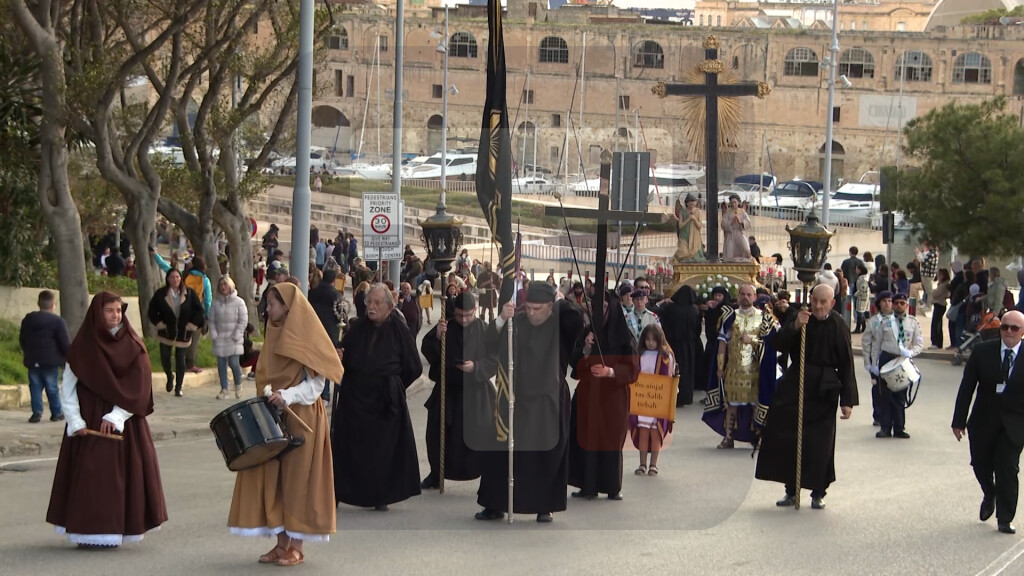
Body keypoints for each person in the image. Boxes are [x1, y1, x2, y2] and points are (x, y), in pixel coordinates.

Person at [228, 283, 343, 566]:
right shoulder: (273, 332)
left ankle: (297, 547)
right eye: (267, 303)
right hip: (272, 416)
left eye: (273, 304)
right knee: (275, 480)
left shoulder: (306, 334)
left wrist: (288, 396)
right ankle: (280, 545)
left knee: (299, 482)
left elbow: (317, 383)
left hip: (302, 417)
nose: (268, 309)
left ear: (288, 306)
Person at [46, 292, 167, 547]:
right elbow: (67, 387)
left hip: (123, 421)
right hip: (88, 421)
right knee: (90, 478)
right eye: (110, 310)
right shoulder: (83, 346)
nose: (116, 315)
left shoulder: (133, 345)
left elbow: (140, 387)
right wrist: (75, 420)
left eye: (119, 310)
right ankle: (87, 531)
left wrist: (117, 414)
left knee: (120, 479)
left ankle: (118, 529)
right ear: (97, 313)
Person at [475, 283, 585, 523]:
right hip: (514, 398)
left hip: (548, 400)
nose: (532, 313)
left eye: (538, 308)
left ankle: (544, 505)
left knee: (545, 455)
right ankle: (495, 503)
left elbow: (576, 317)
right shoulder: (518, 322)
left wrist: (558, 299)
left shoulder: (560, 324)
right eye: (530, 308)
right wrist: (502, 318)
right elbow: (489, 341)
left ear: (550, 307)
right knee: (502, 452)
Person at [755, 284, 858, 510]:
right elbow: (779, 344)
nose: (819, 306)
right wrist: (795, 325)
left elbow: (846, 363)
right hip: (797, 382)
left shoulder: (838, 324)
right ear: (810, 300)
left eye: (824, 302)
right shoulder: (800, 317)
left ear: (832, 303)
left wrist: (847, 401)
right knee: (789, 436)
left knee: (820, 444)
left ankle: (818, 492)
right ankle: (791, 489)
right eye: (816, 301)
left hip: (824, 389)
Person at [334, 286, 423, 511]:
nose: (371, 307)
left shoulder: (399, 330)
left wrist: (395, 386)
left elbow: (414, 366)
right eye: (369, 302)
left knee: (382, 451)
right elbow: (343, 360)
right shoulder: (357, 328)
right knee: (351, 446)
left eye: (377, 303)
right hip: (355, 396)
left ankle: (380, 495)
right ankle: (344, 490)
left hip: (385, 400)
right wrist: (339, 357)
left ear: (389, 307)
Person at [953, 310, 1024, 535]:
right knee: (980, 463)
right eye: (1005, 327)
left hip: (1015, 423)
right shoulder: (983, 351)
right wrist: (958, 420)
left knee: (1007, 469)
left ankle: (1005, 518)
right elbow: (967, 387)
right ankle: (989, 492)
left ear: (1022, 331)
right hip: (984, 419)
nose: (1009, 332)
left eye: (1015, 328)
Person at [419, 292, 497, 489]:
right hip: (448, 390)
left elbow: (495, 359)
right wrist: (437, 336)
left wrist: (476, 367)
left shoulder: (484, 329)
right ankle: (437, 473)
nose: (464, 319)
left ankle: (485, 475)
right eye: (460, 315)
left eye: (468, 315)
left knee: (481, 435)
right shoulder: (447, 327)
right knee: (438, 433)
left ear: (475, 311)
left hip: (476, 392)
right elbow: (428, 351)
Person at [568, 290, 639, 501]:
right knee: (586, 438)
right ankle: (586, 485)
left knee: (609, 440)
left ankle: (611, 487)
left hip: (612, 398)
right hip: (588, 396)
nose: (600, 314)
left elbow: (633, 369)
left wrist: (610, 372)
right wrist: (586, 351)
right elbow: (574, 364)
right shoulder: (588, 332)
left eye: (605, 308)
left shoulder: (624, 335)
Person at [703, 284, 780, 449]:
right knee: (731, 405)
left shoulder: (765, 318)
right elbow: (722, 343)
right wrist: (720, 367)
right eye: (743, 294)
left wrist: (752, 340)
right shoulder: (729, 316)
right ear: (738, 296)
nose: (746, 297)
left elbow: (771, 345)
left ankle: (758, 437)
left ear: (754, 297)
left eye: (749, 294)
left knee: (755, 404)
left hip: (755, 370)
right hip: (734, 368)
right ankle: (728, 437)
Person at [862, 292, 923, 438]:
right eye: (896, 303)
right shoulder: (885, 322)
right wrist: (873, 364)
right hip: (887, 359)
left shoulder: (913, 322)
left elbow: (919, 343)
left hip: (902, 360)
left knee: (900, 396)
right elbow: (876, 344)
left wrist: (911, 353)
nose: (899, 305)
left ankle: (899, 428)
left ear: (907, 305)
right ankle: (885, 427)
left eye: (902, 303)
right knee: (885, 395)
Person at [148, 268, 205, 397]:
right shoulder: (160, 294)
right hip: (166, 332)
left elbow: (199, 311)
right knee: (165, 358)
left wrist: (193, 324)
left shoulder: (189, 293)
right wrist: (159, 323)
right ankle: (169, 376)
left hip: (183, 333)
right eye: (172, 277)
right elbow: (152, 311)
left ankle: (178, 386)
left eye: (178, 277)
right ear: (168, 279)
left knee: (180, 360)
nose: (175, 280)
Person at [629, 324, 675, 476]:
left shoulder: (666, 357)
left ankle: (653, 464)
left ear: (659, 340)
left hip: (658, 400)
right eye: (647, 339)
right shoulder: (639, 354)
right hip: (642, 399)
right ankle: (642, 464)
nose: (650, 343)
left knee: (656, 432)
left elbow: (670, 378)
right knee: (643, 431)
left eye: (653, 340)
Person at [20, 290, 70, 423]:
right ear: (53, 305)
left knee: (35, 386)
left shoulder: (28, 319)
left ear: (38, 303)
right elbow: (64, 342)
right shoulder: (58, 321)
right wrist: (67, 357)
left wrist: (27, 353)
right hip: (51, 360)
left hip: (32, 360)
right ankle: (56, 412)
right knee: (52, 386)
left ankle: (36, 413)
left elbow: (22, 339)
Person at [655, 285, 701, 407]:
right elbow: (698, 329)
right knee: (686, 370)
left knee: (672, 369)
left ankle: (671, 395)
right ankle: (685, 396)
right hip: (689, 345)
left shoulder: (670, 309)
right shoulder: (694, 310)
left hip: (673, 343)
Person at [308, 268, 346, 402]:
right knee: (330, 362)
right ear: (334, 280)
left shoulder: (312, 293)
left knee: (315, 362)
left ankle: (316, 392)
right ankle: (326, 393)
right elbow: (340, 315)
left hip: (314, 331)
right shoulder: (336, 295)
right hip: (330, 333)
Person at [210, 276, 248, 400]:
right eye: (221, 285)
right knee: (221, 365)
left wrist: (237, 334)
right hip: (220, 338)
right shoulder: (216, 303)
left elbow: (243, 320)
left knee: (234, 363)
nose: (223, 287)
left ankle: (238, 383)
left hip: (234, 339)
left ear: (230, 285)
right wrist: (214, 334)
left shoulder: (239, 302)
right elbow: (211, 320)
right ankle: (224, 389)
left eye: (225, 284)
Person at [183, 256, 213, 374]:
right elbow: (208, 300)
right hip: (196, 312)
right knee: (194, 339)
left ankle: (181, 361)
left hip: (184, 310)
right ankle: (190, 364)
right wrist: (207, 316)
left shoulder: (185, 275)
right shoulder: (205, 280)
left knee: (183, 337)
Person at [671, 193, 706, 262]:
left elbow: (699, 226)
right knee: (683, 253)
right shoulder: (683, 212)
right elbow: (680, 226)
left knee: (695, 253)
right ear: (687, 203)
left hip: (694, 236)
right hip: (684, 235)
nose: (692, 205)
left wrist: (694, 219)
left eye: (694, 203)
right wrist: (688, 219)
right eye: (690, 203)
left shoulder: (698, 212)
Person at [720, 194, 752, 262]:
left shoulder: (742, 212)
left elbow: (748, 223)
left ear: (738, 203)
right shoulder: (727, 212)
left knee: (746, 249)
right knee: (730, 251)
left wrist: (741, 221)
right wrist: (731, 222)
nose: (733, 204)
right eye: (732, 202)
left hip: (739, 233)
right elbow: (723, 224)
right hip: (731, 234)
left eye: (735, 202)